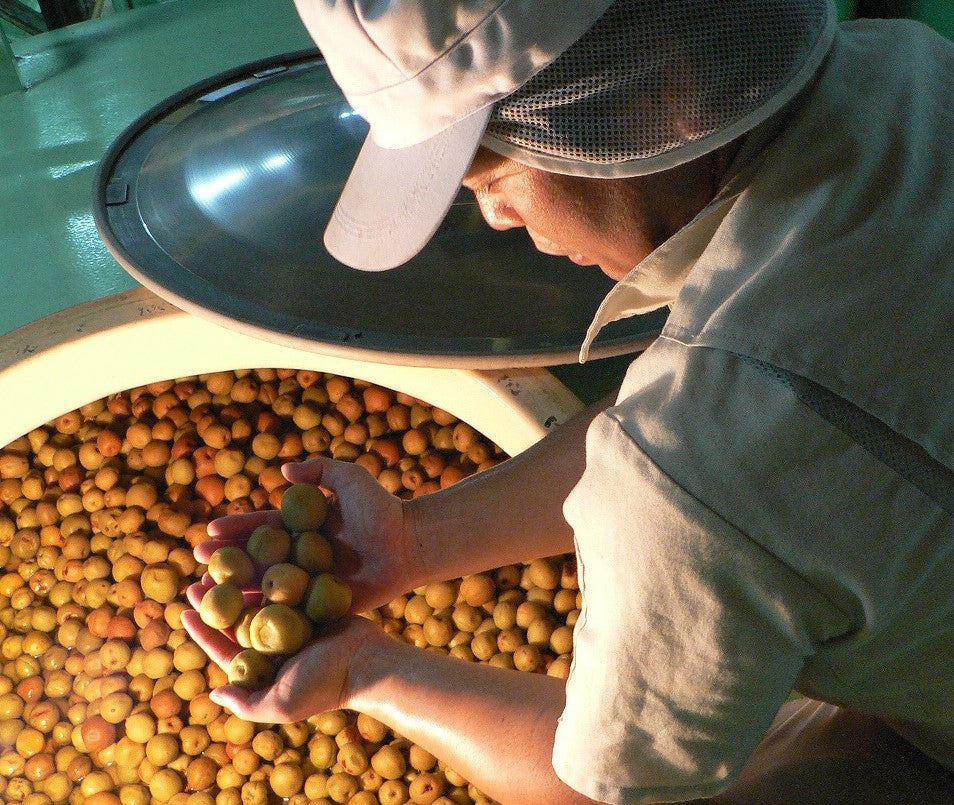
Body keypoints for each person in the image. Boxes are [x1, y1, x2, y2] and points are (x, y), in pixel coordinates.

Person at [183, 0, 954, 802]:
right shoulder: (907, 68)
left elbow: (597, 790)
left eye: (496, 174)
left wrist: (368, 669)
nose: (496, 216)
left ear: (655, 91)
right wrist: (416, 539)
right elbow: (718, 416)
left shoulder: (699, 472)